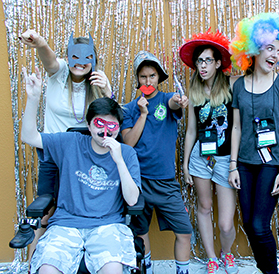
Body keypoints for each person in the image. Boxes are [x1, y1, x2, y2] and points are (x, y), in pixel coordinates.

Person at [21, 68, 141, 274]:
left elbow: (132, 200)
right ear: (89, 124)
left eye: (112, 125)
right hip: (66, 225)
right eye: (99, 124)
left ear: (119, 127)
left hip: (108, 225)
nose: (105, 131)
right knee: (47, 269)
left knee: (112, 270)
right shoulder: (70, 143)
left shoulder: (127, 154)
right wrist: (33, 99)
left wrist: (119, 160)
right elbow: (29, 137)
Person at [18, 30, 112, 255]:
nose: (79, 63)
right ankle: (35, 265)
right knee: (45, 213)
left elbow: (108, 123)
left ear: (93, 60)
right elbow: (48, 58)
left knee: (83, 213)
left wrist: (108, 93)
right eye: (75, 57)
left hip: (85, 158)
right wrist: (40, 42)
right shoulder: (59, 71)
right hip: (53, 155)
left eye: (86, 58)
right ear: (68, 56)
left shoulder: (98, 82)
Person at [228, 13, 279, 274]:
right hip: (244, 164)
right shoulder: (238, 86)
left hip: (271, 164)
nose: (275, 54)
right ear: (254, 49)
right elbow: (236, 127)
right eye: (270, 48)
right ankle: (266, 268)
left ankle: (271, 272)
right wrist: (233, 165)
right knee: (248, 223)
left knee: (259, 225)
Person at [121, 51, 192, 274]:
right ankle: (147, 268)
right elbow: (128, 143)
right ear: (137, 79)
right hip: (138, 181)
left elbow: (173, 104)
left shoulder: (166, 98)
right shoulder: (129, 109)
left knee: (184, 230)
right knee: (139, 232)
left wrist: (178, 101)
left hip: (165, 182)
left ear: (159, 77)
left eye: (152, 75)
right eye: (143, 76)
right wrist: (142, 114)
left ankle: (183, 270)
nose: (148, 81)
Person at [179, 30, 238, 274]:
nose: (202, 66)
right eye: (199, 61)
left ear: (217, 63)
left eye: (207, 60)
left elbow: (259, 78)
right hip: (200, 159)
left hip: (225, 160)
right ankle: (212, 258)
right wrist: (184, 164)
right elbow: (191, 131)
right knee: (204, 208)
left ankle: (227, 253)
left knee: (225, 223)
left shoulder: (232, 85)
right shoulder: (193, 93)